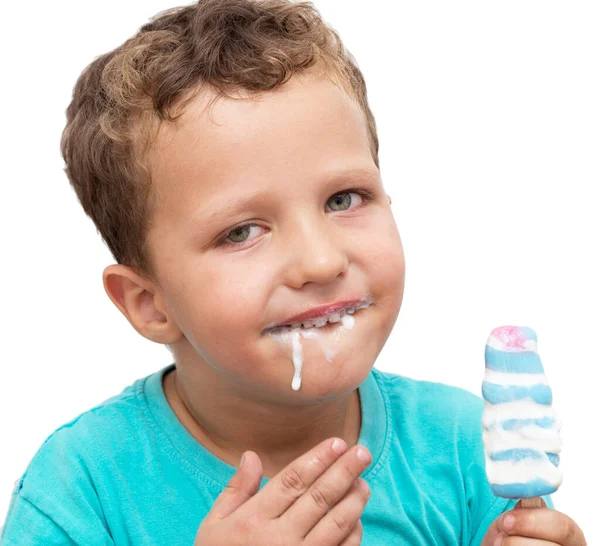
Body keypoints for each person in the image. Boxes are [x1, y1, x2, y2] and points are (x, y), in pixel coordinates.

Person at [0, 0, 586, 544]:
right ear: (148, 303)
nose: (321, 261)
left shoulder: (462, 450)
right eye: (241, 231)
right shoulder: (81, 493)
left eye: (343, 200)